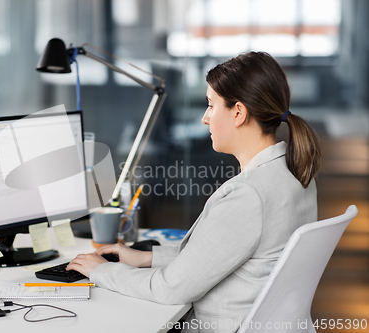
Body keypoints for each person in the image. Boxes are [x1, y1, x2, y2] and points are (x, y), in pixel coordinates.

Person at [67, 52, 321, 333]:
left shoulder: (248, 195)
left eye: (211, 106)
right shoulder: (295, 176)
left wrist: (100, 271)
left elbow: (169, 289)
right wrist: (146, 257)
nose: (205, 118)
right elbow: (220, 253)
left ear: (238, 112)